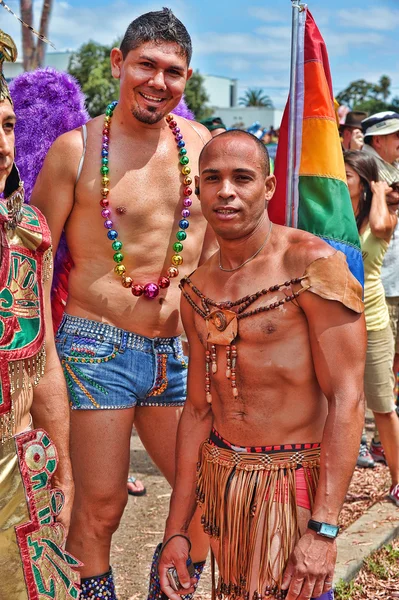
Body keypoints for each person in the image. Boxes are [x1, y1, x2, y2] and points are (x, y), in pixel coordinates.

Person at [31, 8, 213, 598]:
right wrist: (41, 364)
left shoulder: (202, 146)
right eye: (146, 65)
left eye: (174, 71)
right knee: (101, 508)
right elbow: (32, 263)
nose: (159, 82)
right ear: (118, 64)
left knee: (207, 499)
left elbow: (219, 253)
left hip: (177, 353)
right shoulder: (74, 151)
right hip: (94, 346)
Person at [158, 130, 366, 600]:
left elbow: (348, 398)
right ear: (198, 189)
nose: (225, 191)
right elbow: (196, 411)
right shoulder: (195, 291)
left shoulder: (314, 266)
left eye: (242, 178)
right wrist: (176, 530)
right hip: (225, 485)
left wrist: (324, 529)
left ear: (268, 188)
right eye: (212, 179)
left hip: (293, 485)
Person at [0, 29, 80, 598]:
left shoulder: (29, 231)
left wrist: (64, 470)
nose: (3, 144)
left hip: (17, 471)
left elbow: (44, 352)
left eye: (6, 125)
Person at [344, 150, 399, 499]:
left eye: (347, 175)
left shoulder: (382, 216)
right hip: (337, 324)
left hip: (373, 323)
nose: (339, 180)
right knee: (338, 407)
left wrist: (378, 192)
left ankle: (398, 480)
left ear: (362, 182)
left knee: (382, 406)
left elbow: (380, 228)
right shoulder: (331, 217)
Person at [362, 111, 399, 460]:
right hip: (380, 286)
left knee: (388, 366)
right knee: (380, 370)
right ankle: (371, 439)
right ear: (378, 140)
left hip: (389, 282)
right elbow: (381, 225)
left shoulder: (391, 173)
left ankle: (376, 438)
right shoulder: (374, 175)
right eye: (395, 136)